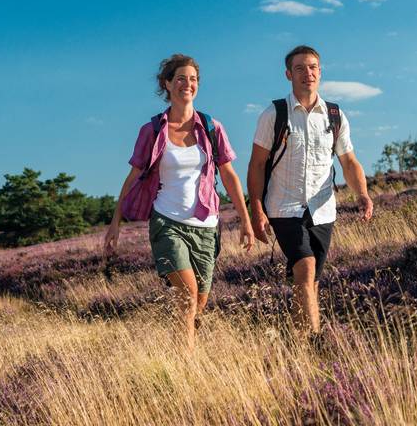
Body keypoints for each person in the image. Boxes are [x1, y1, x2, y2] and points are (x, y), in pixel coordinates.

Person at [104, 54, 254, 351]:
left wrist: (246, 220)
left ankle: (183, 345)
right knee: (187, 293)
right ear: (167, 84)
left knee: (198, 302)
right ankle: (186, 360)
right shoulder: (153, 130)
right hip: (167, 220)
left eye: (193, 79)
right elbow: (133, 177)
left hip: (206, 225)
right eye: (181, 79)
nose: (188, 84)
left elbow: (230, 176)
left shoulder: (212, 128)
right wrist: (115, 223)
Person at [247, 45, 373, 340]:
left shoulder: (334, 115)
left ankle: (299, 339)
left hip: (323, 210)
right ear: (288, 74)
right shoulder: (274, 114)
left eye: (314, 67)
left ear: (321, 72)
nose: (308, 73)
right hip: (284, 207)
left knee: (310, 280)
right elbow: (257, 164)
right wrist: (256, 208)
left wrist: (363, 195)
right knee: (305, 268)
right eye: (301, 68)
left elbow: (348, 161)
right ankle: (316, 340)